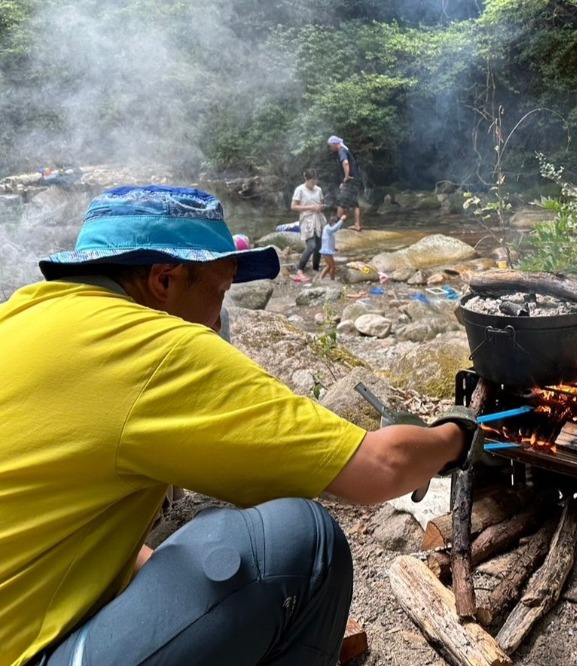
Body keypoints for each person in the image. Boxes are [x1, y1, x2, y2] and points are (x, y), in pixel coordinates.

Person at [0, 185, 484, 666]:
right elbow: (379, 467)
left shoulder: (20, 317)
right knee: (302, 541)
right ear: (163, 280)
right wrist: (456, 436)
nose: (217, 319)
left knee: (204, 541)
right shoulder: (153, 349)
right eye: (221, 289)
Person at [291, 168, 326, 283]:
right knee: (311, 245)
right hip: (307, 220)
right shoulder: (300, 190)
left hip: (318, 218)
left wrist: (321, 207)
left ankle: (315, 268)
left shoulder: (318, 190)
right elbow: (294, 206)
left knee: (319, 247)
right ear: (306, 179)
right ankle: (300, 269)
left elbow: (321, 202)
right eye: (312, 181)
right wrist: (310, 207)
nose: (314, 183)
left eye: (316, 180)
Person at [327, 135, 363, 231]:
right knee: (355, 203)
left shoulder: (341, 151)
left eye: (330, 145)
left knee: (341, 202)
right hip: (356, 180)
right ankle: (357, 225)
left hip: (351, 180)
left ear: (335, 144)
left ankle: (337, 226)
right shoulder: (345, 150)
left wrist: (346, 177)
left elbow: (345, 163)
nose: (330, 148)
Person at [317, 214, 346, 282]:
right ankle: (332, 280)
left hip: (326, 250)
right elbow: (334, 228)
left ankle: (320, 278)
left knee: (328, 266)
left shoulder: (327, 228)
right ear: (334, 223)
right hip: (326, 251)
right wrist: (341, 220)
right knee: (333, 266)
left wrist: (334, 248)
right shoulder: (328, 228)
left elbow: (327, 241)